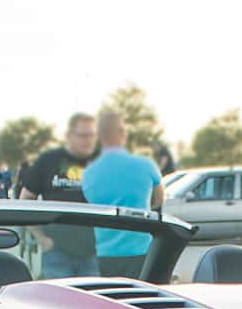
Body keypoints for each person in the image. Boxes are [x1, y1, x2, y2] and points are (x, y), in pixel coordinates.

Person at [79, 108, 163, 279]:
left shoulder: (88, 174)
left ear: (99, 137)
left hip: (104, 254)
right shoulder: (145, 165)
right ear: (122, 133)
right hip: (141, 251)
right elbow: (159, 200)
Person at [19, 112, 100, 277]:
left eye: (92, 135)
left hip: (94, 252)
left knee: (92, 302)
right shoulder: (49, 160)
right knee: (58, 302)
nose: (88, 140)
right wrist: (40, 238)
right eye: (83, 135)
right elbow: (25, 200)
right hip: (57, 251)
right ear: (69, 135)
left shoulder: (101, 161)